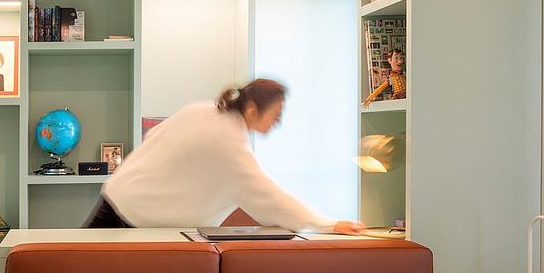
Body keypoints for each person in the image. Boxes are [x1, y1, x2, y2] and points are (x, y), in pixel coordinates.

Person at [83, 78, 365, 234]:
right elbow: (268, 196)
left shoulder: (202, 110)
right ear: (253, 109)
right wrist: (326, 224)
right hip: (132, 220)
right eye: (276, 115)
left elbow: (153, 139)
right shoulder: (229, 143)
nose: (278, 123)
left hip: (116, 198)